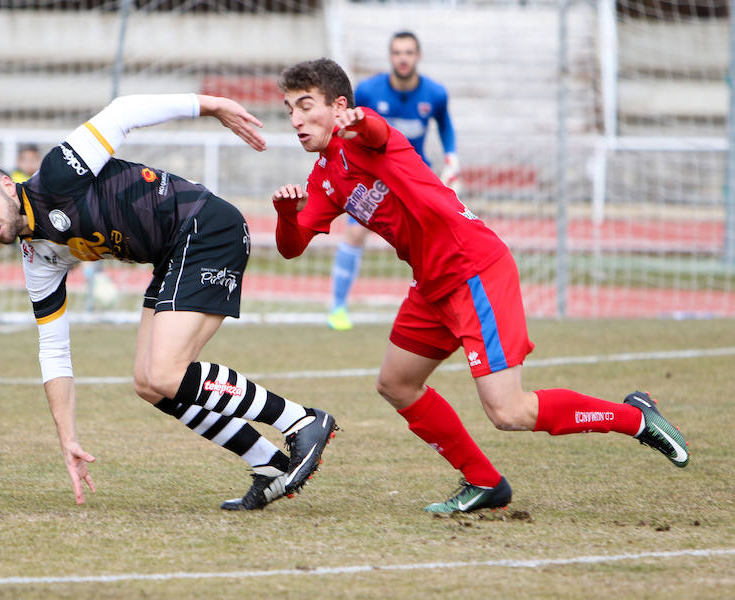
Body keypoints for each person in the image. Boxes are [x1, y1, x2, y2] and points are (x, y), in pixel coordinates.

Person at [272, 58, 689, 514]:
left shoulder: (366, 135)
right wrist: (285, 214)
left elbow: (373, 129)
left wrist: (359, 121)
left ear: (338, 106)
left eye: (305, 105)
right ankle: (484, 483)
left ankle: (635, 417)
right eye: (289, 108)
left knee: (508, 412)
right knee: (396, 384)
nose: (295, 119)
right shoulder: (325, 177)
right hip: (432, 283)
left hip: (473, 269)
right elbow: (292, 247)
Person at [0, 93, 337, 511]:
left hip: (207, 227)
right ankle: (267, 463)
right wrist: (68, 440)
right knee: (150, 385)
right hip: (173, 252)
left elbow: (124, 112)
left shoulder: (57, 176)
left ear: (7, 184)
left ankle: (300, 420)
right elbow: (54, 350)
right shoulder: (37, 258)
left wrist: (211, 106)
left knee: (167, 374)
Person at [327, 31, 460, 331]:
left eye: (409, 52)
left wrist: (452, 158)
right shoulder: (369, 90)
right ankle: (337, 307)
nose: (403, 58)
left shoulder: (435, 94)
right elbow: (348, 125)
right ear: (391, 56)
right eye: (398, 52)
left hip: (416, 178)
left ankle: (441, 305)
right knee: (355, 234)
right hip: (375, 178)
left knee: (432, 241)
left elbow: (446, 126)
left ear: (418, 56)